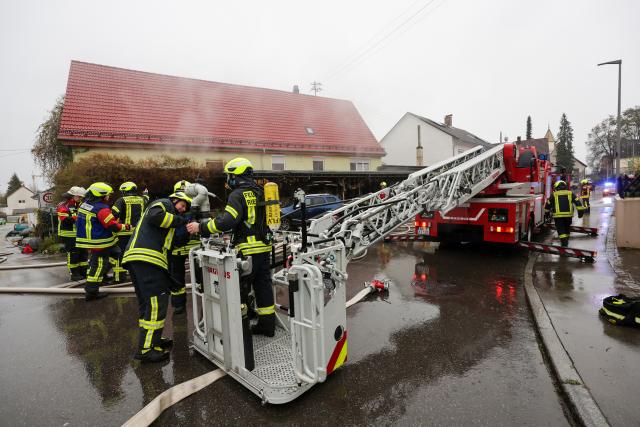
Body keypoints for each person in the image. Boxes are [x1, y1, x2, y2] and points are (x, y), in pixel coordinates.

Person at [187, 157, 275, 336]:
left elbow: (227, 220)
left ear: (235, 176)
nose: (228, 180)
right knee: (263, 287)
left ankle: (240, 332)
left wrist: (201, 227)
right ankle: (267, 326)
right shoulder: (261, 191)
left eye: (229, 176)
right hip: (265, 248)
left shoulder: (237, 194)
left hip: (247, 251)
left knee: (240, 290)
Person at [122, 191, 191, 363]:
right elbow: (155, 216)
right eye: (182, 205)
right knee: (155, 304)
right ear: (174, 199)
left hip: (143, 261)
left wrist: (189, 229)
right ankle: (145, 350)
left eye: (185, 209)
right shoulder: (163, 203)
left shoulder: (170, 216)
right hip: (147, 260)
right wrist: (181, 220)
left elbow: (175, 241)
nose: (182, 210)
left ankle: (152, 340)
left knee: (147, 304)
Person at [76, 182, 129, 301]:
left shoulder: (85, 204)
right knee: (98, 265)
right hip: (100, 242)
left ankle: (102, 274)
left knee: (116, 252)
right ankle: (91, 292)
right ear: (101, 195)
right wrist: (127, 227)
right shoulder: (102, 209)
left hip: (93, 239)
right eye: (107, 195)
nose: (108, 197)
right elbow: (113, 226)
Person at [168, 180, 201, 314]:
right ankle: (178, 305)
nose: (183, 207)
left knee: (200, 277)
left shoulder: (197, 204)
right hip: (178, 249)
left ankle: (205, 300)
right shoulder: (168, 207)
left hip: (192, 249)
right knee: (176, 280)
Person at [112, 181, 147, 282]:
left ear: (124, 191)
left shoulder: (121, 200)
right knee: (136, 254)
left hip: (124, 233)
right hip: (138, 232)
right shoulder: (143, 200)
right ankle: (137, 275)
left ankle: (119, 277)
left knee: (120, 255)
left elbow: (113, 215)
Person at [56, 186, 87, 281]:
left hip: (80, 234)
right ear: (73, 196)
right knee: (73, 253)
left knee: (83, 253)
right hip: (68, 234)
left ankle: (83, 272)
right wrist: (77, 217)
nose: (81, 198)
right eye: (79, 197)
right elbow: (65, 220)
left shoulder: (81, 204)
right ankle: (74, 273)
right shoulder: (63, 205)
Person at [544, 180, 585, 247]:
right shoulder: (570, 193)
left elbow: (547, 205)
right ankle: (566, 240)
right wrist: (580, 213)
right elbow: (578, 203)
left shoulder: (554, 195)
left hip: (558, 217)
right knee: (567, 228)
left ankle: (564, 243)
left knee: (561, 229)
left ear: (556, 187)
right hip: (568, 216)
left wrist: (547, 214)